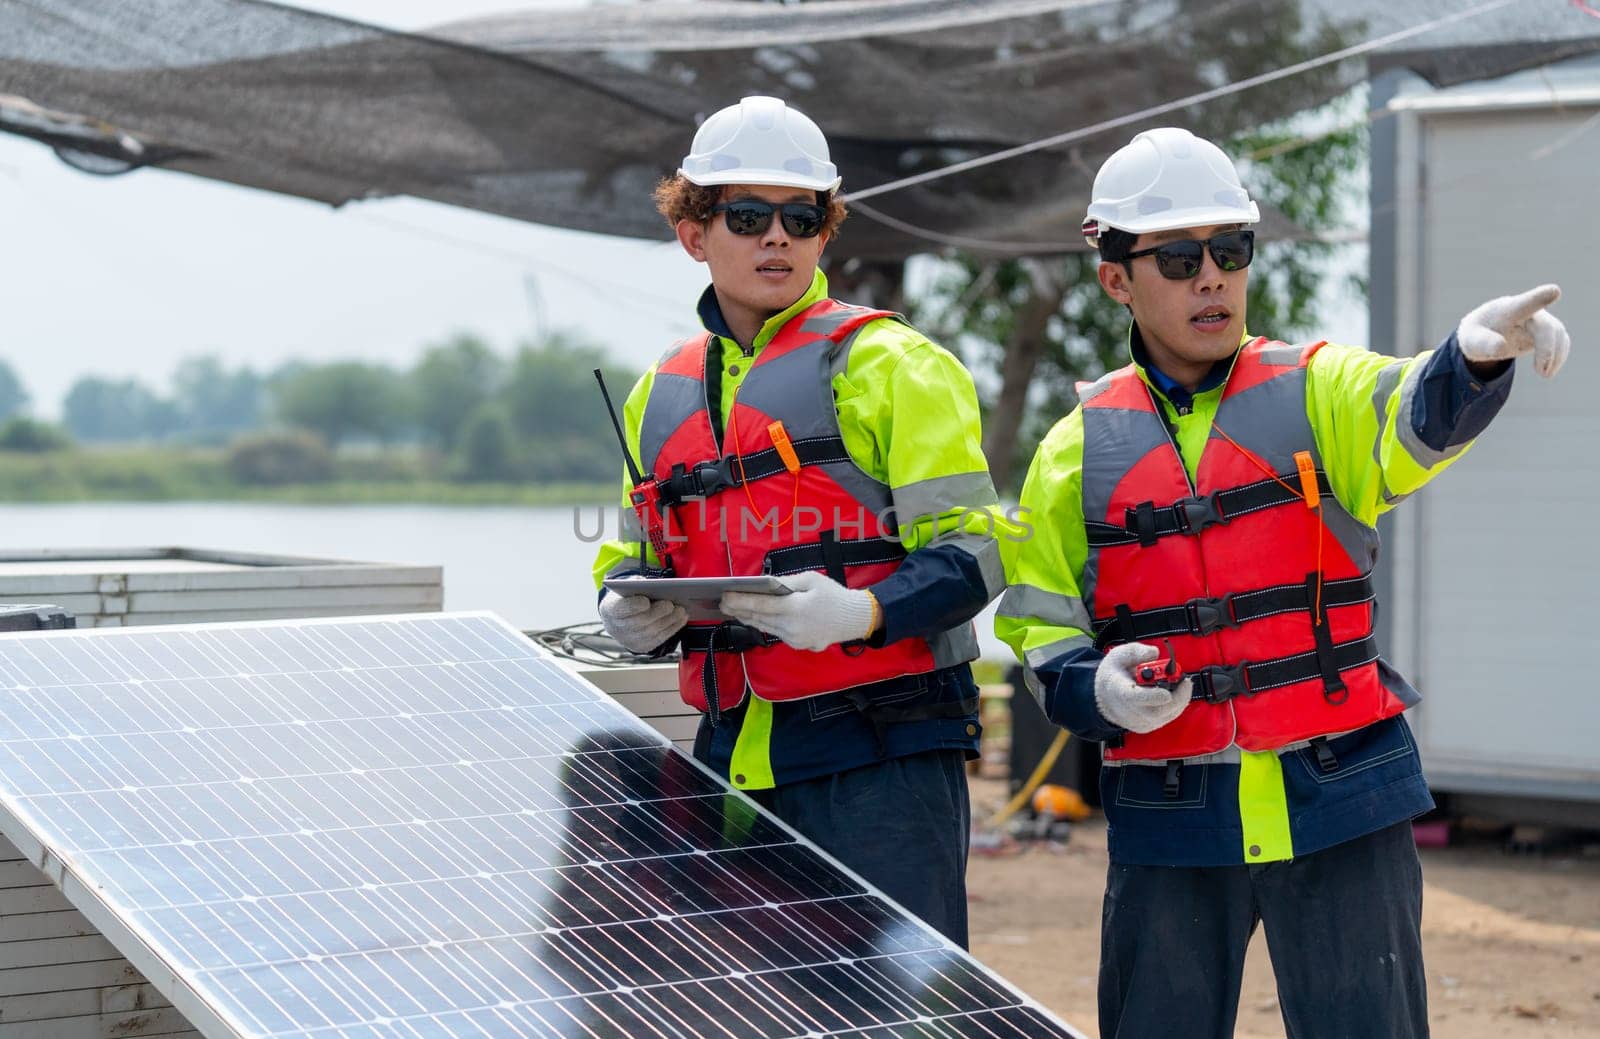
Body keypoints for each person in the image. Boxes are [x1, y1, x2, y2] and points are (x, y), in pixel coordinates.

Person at [996, 126, 1571, 1037]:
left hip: (1343, 795)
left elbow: (1411, 412)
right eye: (1180, 258)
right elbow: (1040, 630)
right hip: (1171, 818)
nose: (1212, 277)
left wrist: (1473, 355)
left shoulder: (1317, 389)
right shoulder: (1072, 452)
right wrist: (1094, 687)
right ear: (1116, 277)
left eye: (1230, 250)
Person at [591, 96, 1006, 947]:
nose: (777, 236)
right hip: (727, 754)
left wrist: (863, 613)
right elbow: (629, 559)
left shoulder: (897, 365)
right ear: (695, 234)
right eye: (748, 215)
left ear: (824, 232)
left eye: (801, 215)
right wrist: (624, 610)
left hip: (884, 758)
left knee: (898, 1014)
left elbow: (980, 550)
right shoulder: (654, 395)